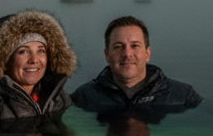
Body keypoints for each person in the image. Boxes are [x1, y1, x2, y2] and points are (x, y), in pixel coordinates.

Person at [0, 10, 78, 132]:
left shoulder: (60, 98)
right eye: (23, 51)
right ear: (3, 60)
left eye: (41, 51)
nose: (34, 60)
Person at [71, 15, 201, 118]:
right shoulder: (84, 96)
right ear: (107, 55)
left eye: (135, 46)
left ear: (147, 53)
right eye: (118, 47)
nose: (127, 54)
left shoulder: (182, 96)